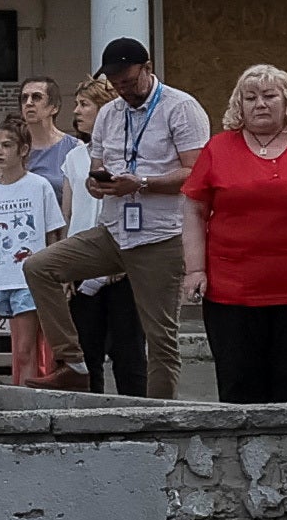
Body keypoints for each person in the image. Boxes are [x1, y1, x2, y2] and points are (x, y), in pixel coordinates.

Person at [14, 33, 202, 394]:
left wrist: (143, 182)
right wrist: (97, 184)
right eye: (115, 84)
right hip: (114, 228)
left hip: (160, 237)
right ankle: (73, 361)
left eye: (129, 82)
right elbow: (96, 167)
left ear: (147, 69)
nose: (123, 90)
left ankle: (160, 421)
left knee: (159, 339)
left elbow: (196, 173)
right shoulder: (110, 115)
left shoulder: (180, 108)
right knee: (39, 267)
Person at [178, 63, 287, 404]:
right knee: (238, 384)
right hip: (231, 292)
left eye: (270, 96)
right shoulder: (218, 148)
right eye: (250, 97)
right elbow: (194, 209)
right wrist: (195, 269)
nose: (260, 104)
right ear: (238, 104)